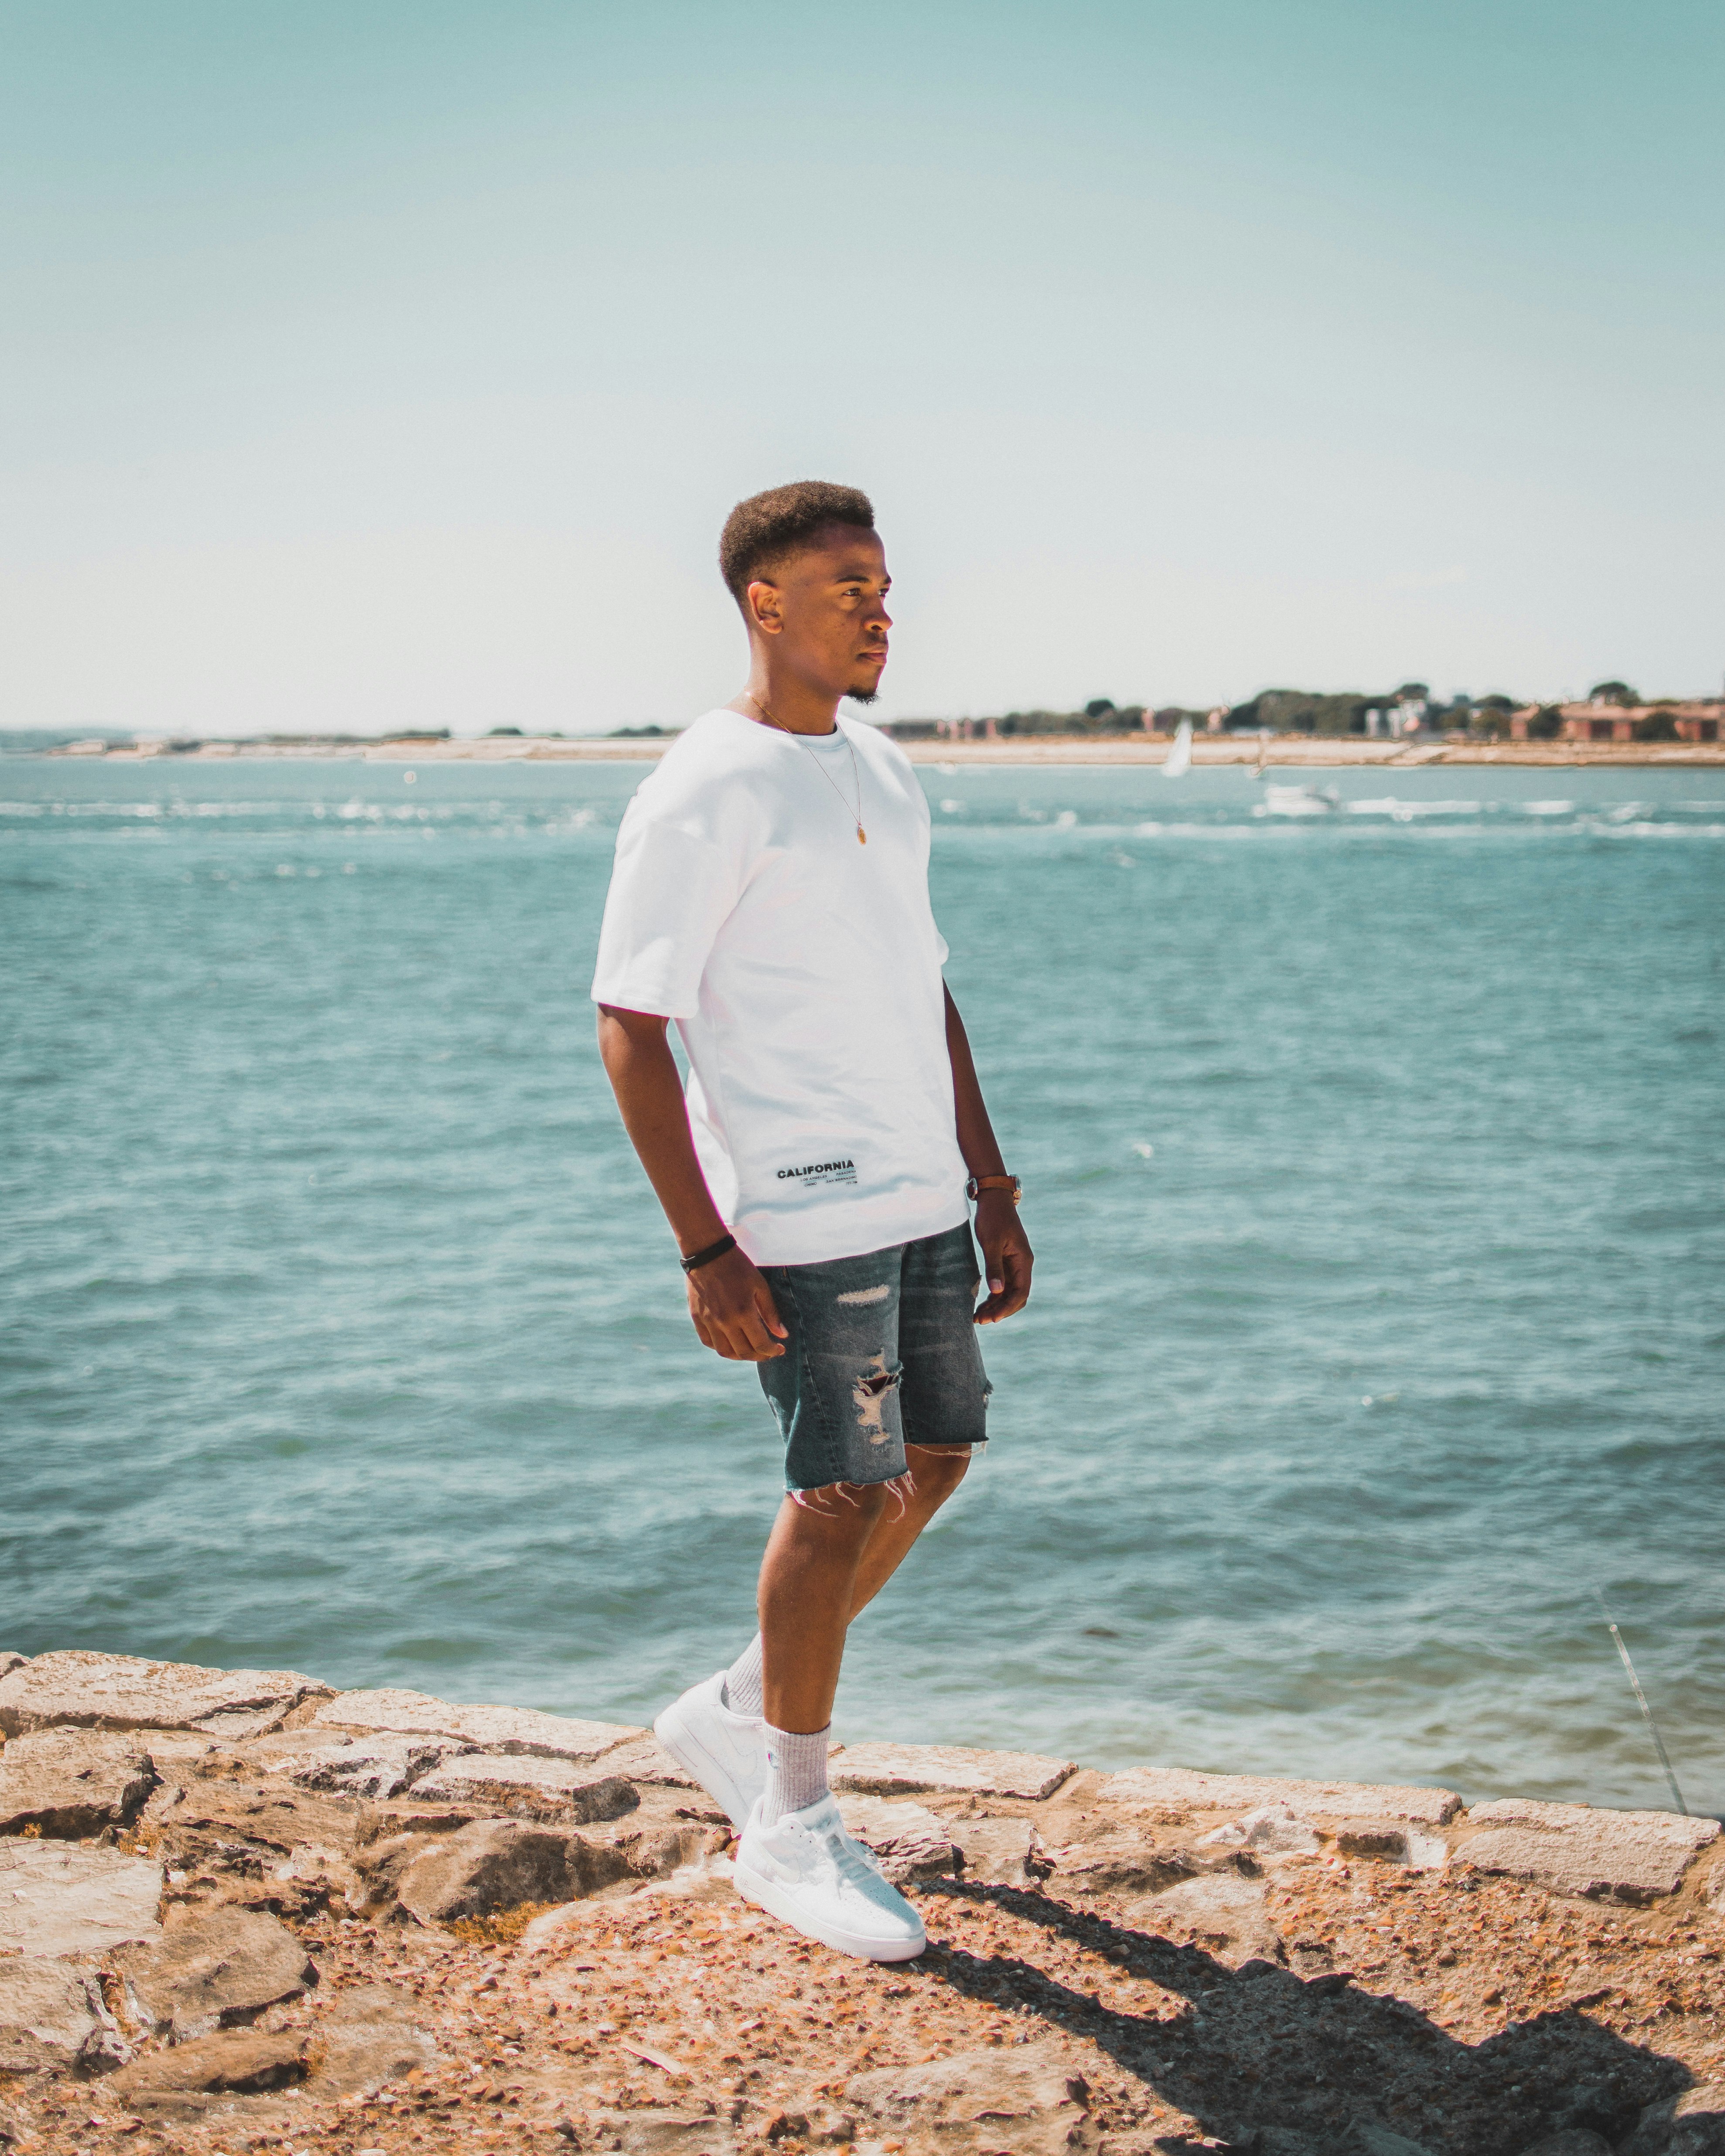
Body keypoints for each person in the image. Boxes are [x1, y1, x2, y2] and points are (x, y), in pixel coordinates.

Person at [591, 480, 1032, 1961]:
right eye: (847, 582)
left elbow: (928, 988)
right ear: (763, 602)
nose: (879, 608)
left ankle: (733, 1709)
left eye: (886, 583)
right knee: (839, 1488)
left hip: (922, 1192)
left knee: (938, 1457)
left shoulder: (882, 769)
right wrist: (705, 1249)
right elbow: (632, 1025)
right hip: (802, 1206)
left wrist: (992, 1182)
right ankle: (787, 1815)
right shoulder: (703, 784)